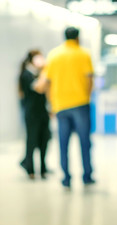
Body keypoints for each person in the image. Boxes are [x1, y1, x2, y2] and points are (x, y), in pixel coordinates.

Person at [45, 27, 95, 188]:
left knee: (63, 143)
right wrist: (86, 97)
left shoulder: (54, 55)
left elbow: (48, 82)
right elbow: (89, 80)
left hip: (60, 105)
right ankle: (87, 176)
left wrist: (52, 104)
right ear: (78, 37)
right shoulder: (84, 54)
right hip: (81, 103)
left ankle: (66, 178)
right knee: (85, 142)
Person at [18, 50, 51, 179]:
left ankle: (43, 168)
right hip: (32, 114)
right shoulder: (26, 75)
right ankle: (30, 168)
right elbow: (39, 87)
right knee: (32, 140)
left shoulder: (39, 74)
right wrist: (45, 71)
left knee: (44, 140)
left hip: (43, 112)